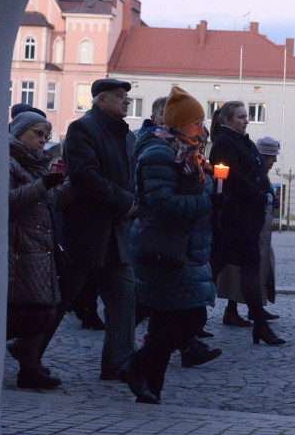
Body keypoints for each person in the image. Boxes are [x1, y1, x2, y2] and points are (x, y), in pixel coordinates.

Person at [118, 87, 222, 404]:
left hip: (184, 248)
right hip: (167, 248)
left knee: (165, 316)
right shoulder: (158, 154)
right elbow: (163, 204)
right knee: (192, 318)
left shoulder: (184, 152)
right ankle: (134, 366)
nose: (202, 129)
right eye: (196, 122)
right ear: (178, 124)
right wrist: (205, 198)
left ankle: (151, 387)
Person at [47, 78, 138, 381]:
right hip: (86, 231)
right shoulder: (83, 128)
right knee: (63, 298)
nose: (126, 101)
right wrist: (126, 201)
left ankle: (118, 364)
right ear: (100, 100)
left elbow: (130, 176)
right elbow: (85, 177)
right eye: (119, 96)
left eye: (126, 96)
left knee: (123, 299)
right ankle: (28, 350)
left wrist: (135, 200)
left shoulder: (127, 136)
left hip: (116, 233)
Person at [6, 112, 73, 389]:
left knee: (44, 309)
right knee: (22, 311)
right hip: (19, 247)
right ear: (20, 133)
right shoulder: (8, 160)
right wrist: (42, 186)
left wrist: (66, 186)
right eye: (37, 133)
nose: (42, 140)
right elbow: (6, 200)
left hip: (39, 248)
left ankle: (29, 366)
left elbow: (50, 202)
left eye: (46, 135)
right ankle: (26, 365)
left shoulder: (39, 163)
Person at [209, 101, 284, 346]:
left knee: (248, 269)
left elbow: (257, 171)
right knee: (212, 270)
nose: (246, 120)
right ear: (227, 120)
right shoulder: (224, 142)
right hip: (232, 219)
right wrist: (259, 195)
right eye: (241, 116)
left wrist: (268, 192)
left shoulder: (245, 141)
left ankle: (260, 325)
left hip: (247, 219)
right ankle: (181, 320)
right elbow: (230, 178)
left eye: (246, 116)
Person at [217, 136, 279, 324]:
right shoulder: (250, 171)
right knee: (240, 272)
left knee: (260, 270)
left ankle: (256, 308)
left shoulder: (262, 174)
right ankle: (235, 310)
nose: (274, 161)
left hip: (259, 232)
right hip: (249, 230)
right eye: (271, 157)